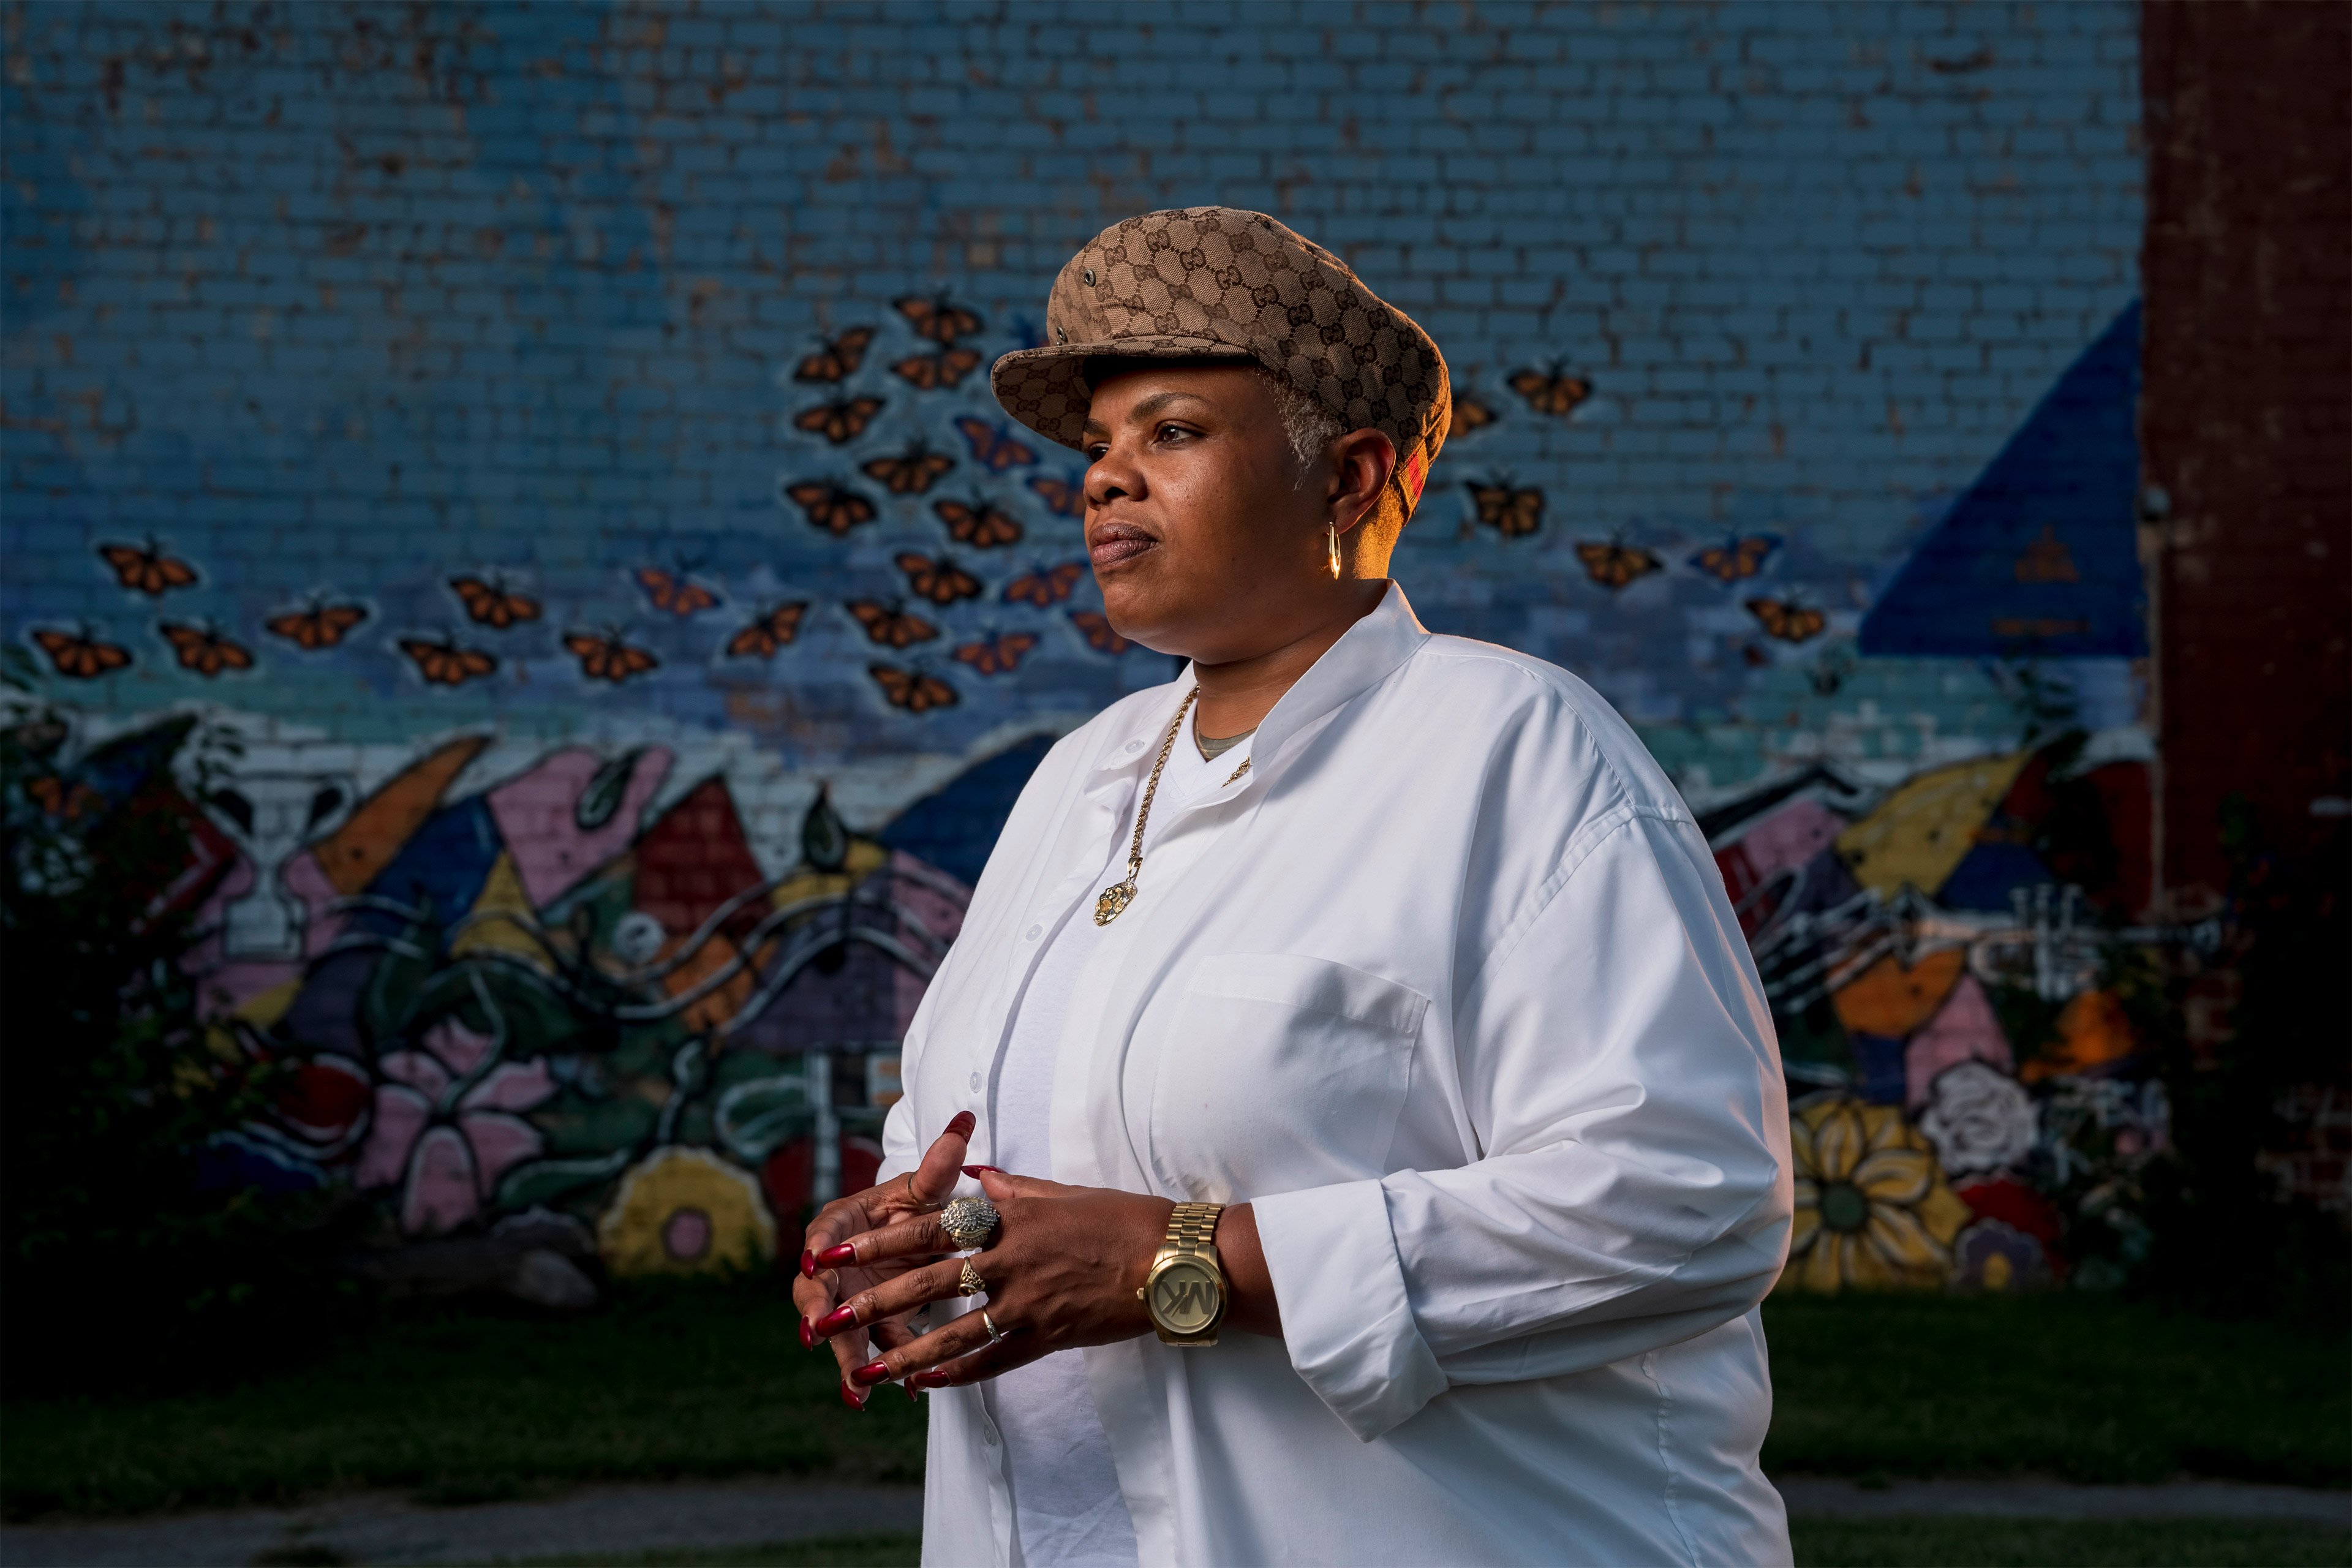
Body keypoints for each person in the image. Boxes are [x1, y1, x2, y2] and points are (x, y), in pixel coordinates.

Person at [793, 207, 1795, 1568]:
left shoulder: (1512, 752)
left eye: (1173, 432)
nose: (1102, 481)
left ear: (1351, 473)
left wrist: (1179, 1264)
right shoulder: (1078, 782)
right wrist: (901, 1244)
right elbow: (993, 1150)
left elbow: (1688, 1194)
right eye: (1097, 450)